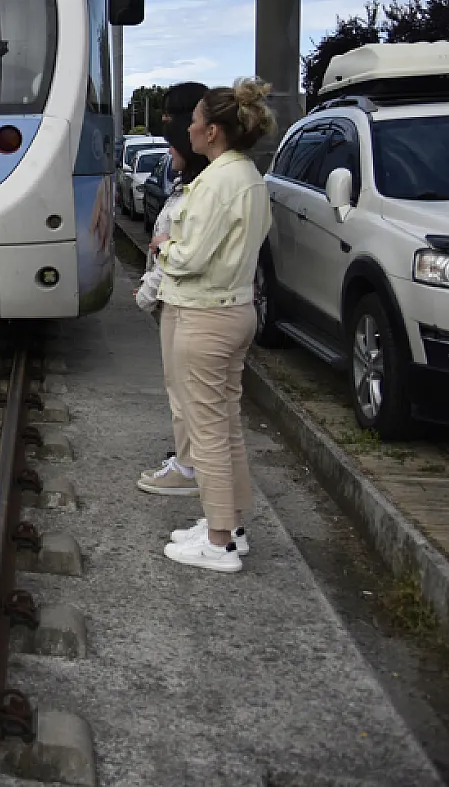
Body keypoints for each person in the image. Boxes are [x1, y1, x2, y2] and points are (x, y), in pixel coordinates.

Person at [154, 79, 275, 573]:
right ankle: (230, 525)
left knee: (207, 432)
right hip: (238, 308)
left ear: (214, 131)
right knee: (225, 427)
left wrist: (163, 247)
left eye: (195, 120)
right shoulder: (247, 175)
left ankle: (220, 540)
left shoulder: (215, 183)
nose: (189, 127)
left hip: (206, 314)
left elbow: (192, 257)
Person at [135, 81, 210, 497]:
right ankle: (189, 462)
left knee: (186, 393)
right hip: (188, 303)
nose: (168, 152)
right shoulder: (197, 186)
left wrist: (147, 291)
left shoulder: (203, 191)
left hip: (190, 305)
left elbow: (183, 255)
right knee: (187, 393)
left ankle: (189, 470)